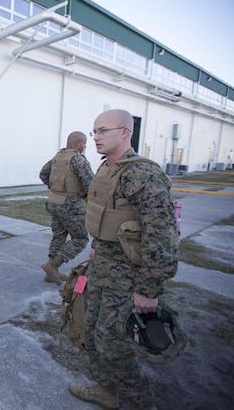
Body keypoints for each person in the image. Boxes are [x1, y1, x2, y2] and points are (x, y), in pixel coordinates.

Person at [68, 109, 178, 410]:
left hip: (128, 280)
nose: (96, 137)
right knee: (90, 334)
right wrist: (96, 246)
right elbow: (106, 215)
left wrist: (149, 290)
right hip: (101, 269)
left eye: (103, 130)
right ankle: (106, 390)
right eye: (94, 131)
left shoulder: (143, 175)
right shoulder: (106, 169)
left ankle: (141, 403)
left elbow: (162, 236)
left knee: (113, 346)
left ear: (125, 132)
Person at [39, 131, 93, 284]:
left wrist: (55, 188)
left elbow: (43, 174)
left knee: (59, 236)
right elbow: (91, 185)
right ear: (77, 144)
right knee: (80, 238)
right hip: (71, 205)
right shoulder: (79, 160)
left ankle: (51, 273)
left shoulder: (57, 158)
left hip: (54, 202)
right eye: (84, 143)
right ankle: (53, 265)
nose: (85, 146)